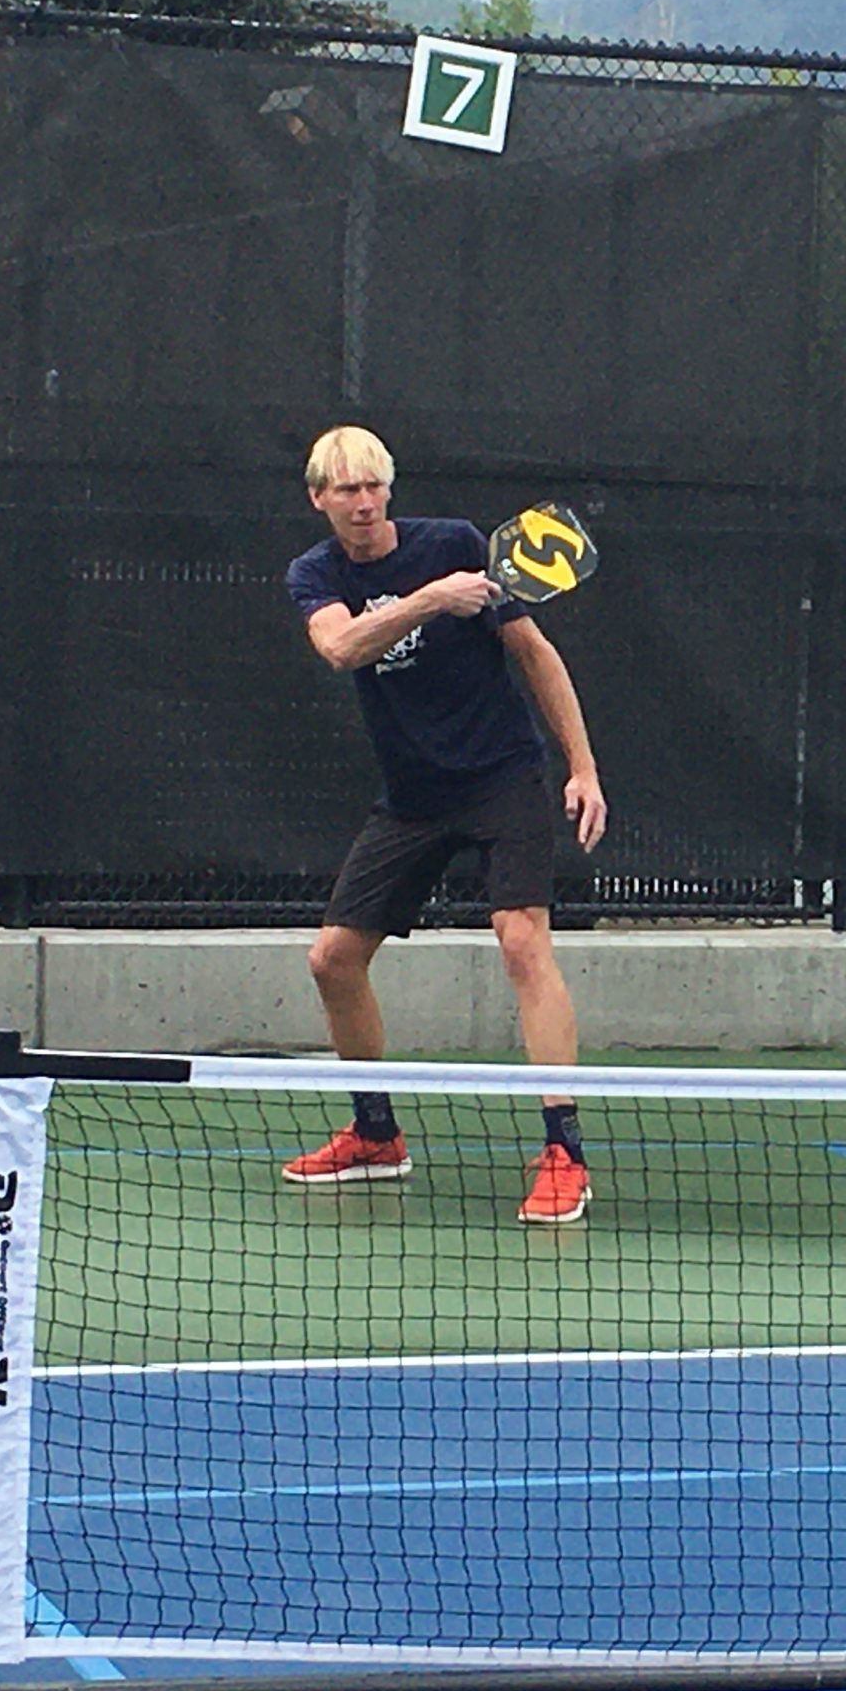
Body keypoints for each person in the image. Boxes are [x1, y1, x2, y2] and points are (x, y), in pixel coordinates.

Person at [281, 425, 609, 1225]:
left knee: (522, 938)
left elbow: (537, 657)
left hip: (502, 777)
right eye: (345, 490)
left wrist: (584, 767)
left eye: (373, 487)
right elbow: (341, 648)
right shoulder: (315, 575)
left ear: (389, 490)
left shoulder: (456, 542)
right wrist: (434, 598)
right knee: (332, 960)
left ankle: (564, 1151)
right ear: (319, 498)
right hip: (412, 798)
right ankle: (375, 1134)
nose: (362, 503)